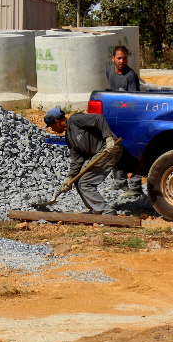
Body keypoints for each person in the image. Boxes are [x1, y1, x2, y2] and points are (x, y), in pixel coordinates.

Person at [43, 107, 122, 215]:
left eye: (51, 126)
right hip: (97, 154)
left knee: (85, 182)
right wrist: (69, 177)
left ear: (57, 122)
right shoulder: (69, 138)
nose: (51, 129)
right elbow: (77, 160)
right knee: (77, 179)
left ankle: (107, 212)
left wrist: (108, 138)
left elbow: (99, 118)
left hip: (109, 149)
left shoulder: (75, 120)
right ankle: (96, 209)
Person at [105, 45, 143, 199]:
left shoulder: (131, 76)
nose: (122, 61)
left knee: (132, 151)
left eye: (125, 58)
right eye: (119, 58)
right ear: (113, 58)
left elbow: (133, 101)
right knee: (114, 147)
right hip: (115, 118)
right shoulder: (109, 71)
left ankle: (135, 186)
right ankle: (119, 181)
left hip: (130, 118)